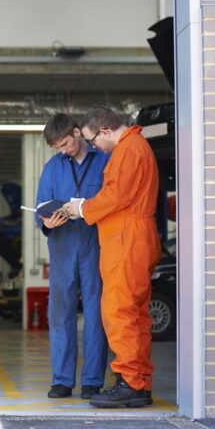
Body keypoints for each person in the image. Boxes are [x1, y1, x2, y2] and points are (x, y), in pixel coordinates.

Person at [64, 107, 161, 408]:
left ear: (105, 130)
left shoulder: (128, 150)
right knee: (135, 314)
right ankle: (139, 382)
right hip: (134, 236)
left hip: (127, 240)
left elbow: (116, 196)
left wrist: (82, 208)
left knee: (118, 311)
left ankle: (130, 382)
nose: (94, 146)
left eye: (93, 140)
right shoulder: (135, 146)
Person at [35, 113, 109, 400]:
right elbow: (41, 206)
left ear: (77, 133)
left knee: (96, 313)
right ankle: (62, 380)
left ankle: (92, 381)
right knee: (60, 314)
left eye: (65, 143)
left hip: (95, 244)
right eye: (57, 147)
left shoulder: (104, 160)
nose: (62, 150)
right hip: (63, 245)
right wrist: (46, 222)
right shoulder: (52, 168)